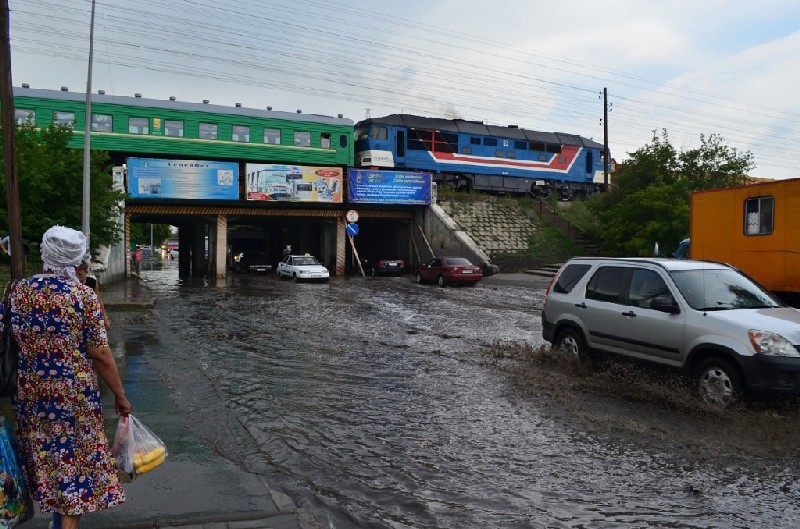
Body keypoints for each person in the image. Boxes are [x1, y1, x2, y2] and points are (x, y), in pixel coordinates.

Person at [3, 225, 132, 529]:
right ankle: (65, 524)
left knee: (47, 460)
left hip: (29, 396)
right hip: (73, 399)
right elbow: (100, 353)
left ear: (46, 254)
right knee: (71, 469)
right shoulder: (83, 296)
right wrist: (120, 395)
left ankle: (58, 520)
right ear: (76, 259)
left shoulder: (16, 291)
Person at [76, 257, 111, 329]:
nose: (77, 278)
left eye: (80, 274)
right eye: (75, 275)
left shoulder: (92, 282)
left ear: (86, 272)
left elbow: (98, 299)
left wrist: (105, 317)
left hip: (89, 313)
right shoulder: (72, 283)